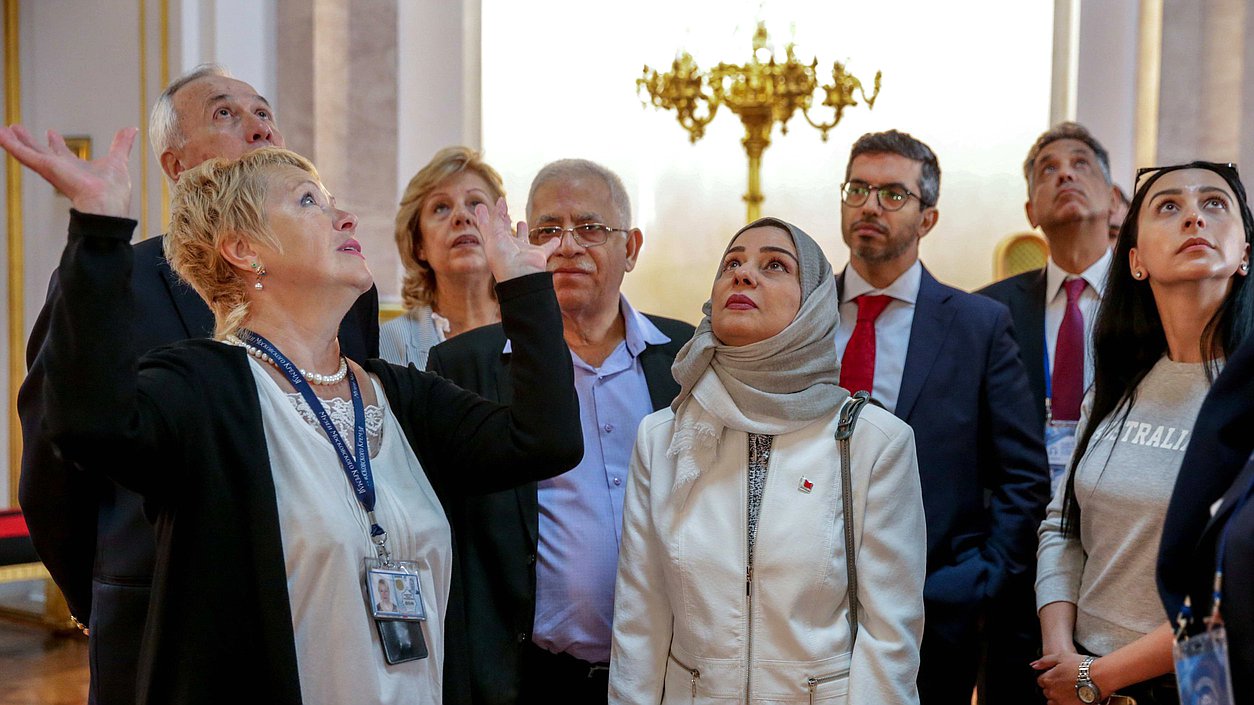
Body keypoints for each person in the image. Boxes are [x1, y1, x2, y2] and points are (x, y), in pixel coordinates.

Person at [14, 138, 581, 705]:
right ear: (243, 248)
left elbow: (543, 442)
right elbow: (87, 422)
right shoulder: (208, 388)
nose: (345, 216)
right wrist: (99, 233)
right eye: (310, 201)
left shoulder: (399, 396)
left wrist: (525, 288)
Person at [7, 64, 379, 705]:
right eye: (226, 114)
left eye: (263, 111)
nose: (258, 125)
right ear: (177, 166)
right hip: (155, 608)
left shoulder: (340, 285)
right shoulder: (115, 280)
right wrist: (103, 588)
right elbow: (53, 461)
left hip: (318, 604)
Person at [608, 217, 926, 704]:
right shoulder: (663, 437)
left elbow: (890, 640)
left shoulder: (872, 442)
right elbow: (640, 620)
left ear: (816, 305)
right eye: (731, 263)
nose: (743, 274)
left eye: (775, 265)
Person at [428, 158, 695, 704]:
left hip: (670, 675)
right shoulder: (465, 367)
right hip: (529, 678)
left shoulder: (687, 360)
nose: (567, 246)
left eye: (590, 228)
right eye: (548, 230)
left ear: (632, 248)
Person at [833, 129, 1049, 704]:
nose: (870, 206)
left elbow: (1022, 476)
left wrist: (980, 582)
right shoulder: (800, 319)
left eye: (893, 194)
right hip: (802, 599)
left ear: (927, 218)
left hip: (933, 605)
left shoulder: (979, 325)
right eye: (858, 189)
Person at [1034, 161, 1253, 705]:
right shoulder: (1116, 384)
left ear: (1246, 252)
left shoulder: (1247, 392)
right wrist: (1063, 651)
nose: (1194, 219)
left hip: (1192, 686)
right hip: (1080, 677)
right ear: (1134, 260)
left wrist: (1100, 675)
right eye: (1169, 206)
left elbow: (1237, 587)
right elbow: (1063, 526)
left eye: (1215, 204)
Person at [977, 122, 1120, 704]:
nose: (1064, 174)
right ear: (1031, 209)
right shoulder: (987, 311)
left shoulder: (1160, 303)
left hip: (1120, 543)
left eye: (1082, 163)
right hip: (1016, 557)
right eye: (1047, 169)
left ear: (1115, 201)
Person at [382, 147, 506, 369]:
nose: (461, 216)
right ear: (419, 245)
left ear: (502, 228)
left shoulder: (535, 328)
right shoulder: (387, 343)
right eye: (441, 208)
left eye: (476, 203)